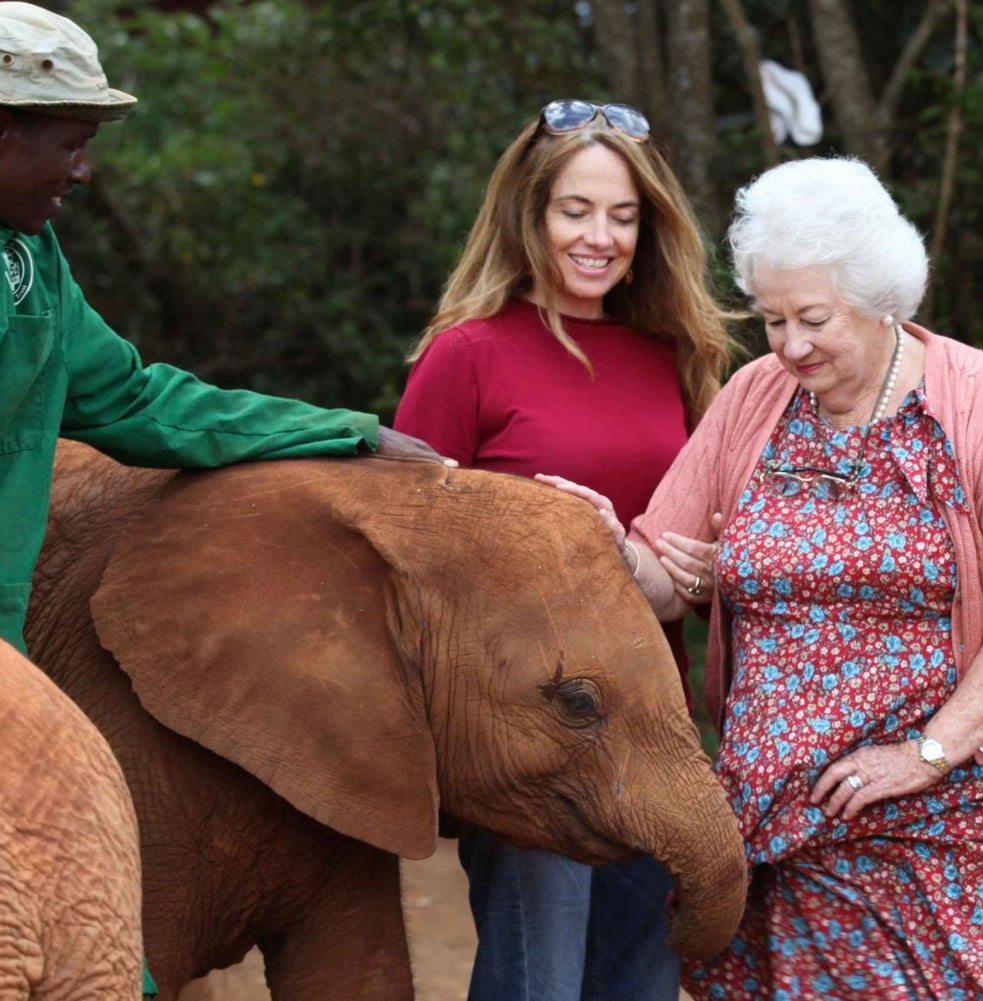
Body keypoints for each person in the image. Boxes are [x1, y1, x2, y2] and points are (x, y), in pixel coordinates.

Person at [0, 5, 437, 995]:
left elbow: (133, 398)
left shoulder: (28, 274)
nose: (83, 172)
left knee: (57, 936)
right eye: (69, 145)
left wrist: (344, 430)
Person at [556, 156, 983, 999]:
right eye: (773, 319)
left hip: (970, 808)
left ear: (877, 295)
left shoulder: (979, 400)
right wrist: (607, 546)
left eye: (813, 318)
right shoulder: (755, 398)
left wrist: (929, 751)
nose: (791, 345)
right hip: (789, 815)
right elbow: (663, 576)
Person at [391, 99, 734, 1001]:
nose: (600, 237)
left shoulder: (676, 354)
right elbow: (406, 558)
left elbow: (699, 538)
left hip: (653, 731)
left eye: (624, 217)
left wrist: (696, 570)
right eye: (575, 210)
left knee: (640, 983)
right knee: (537, 984)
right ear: (529, 215)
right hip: (527, 738)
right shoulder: (465, 355)